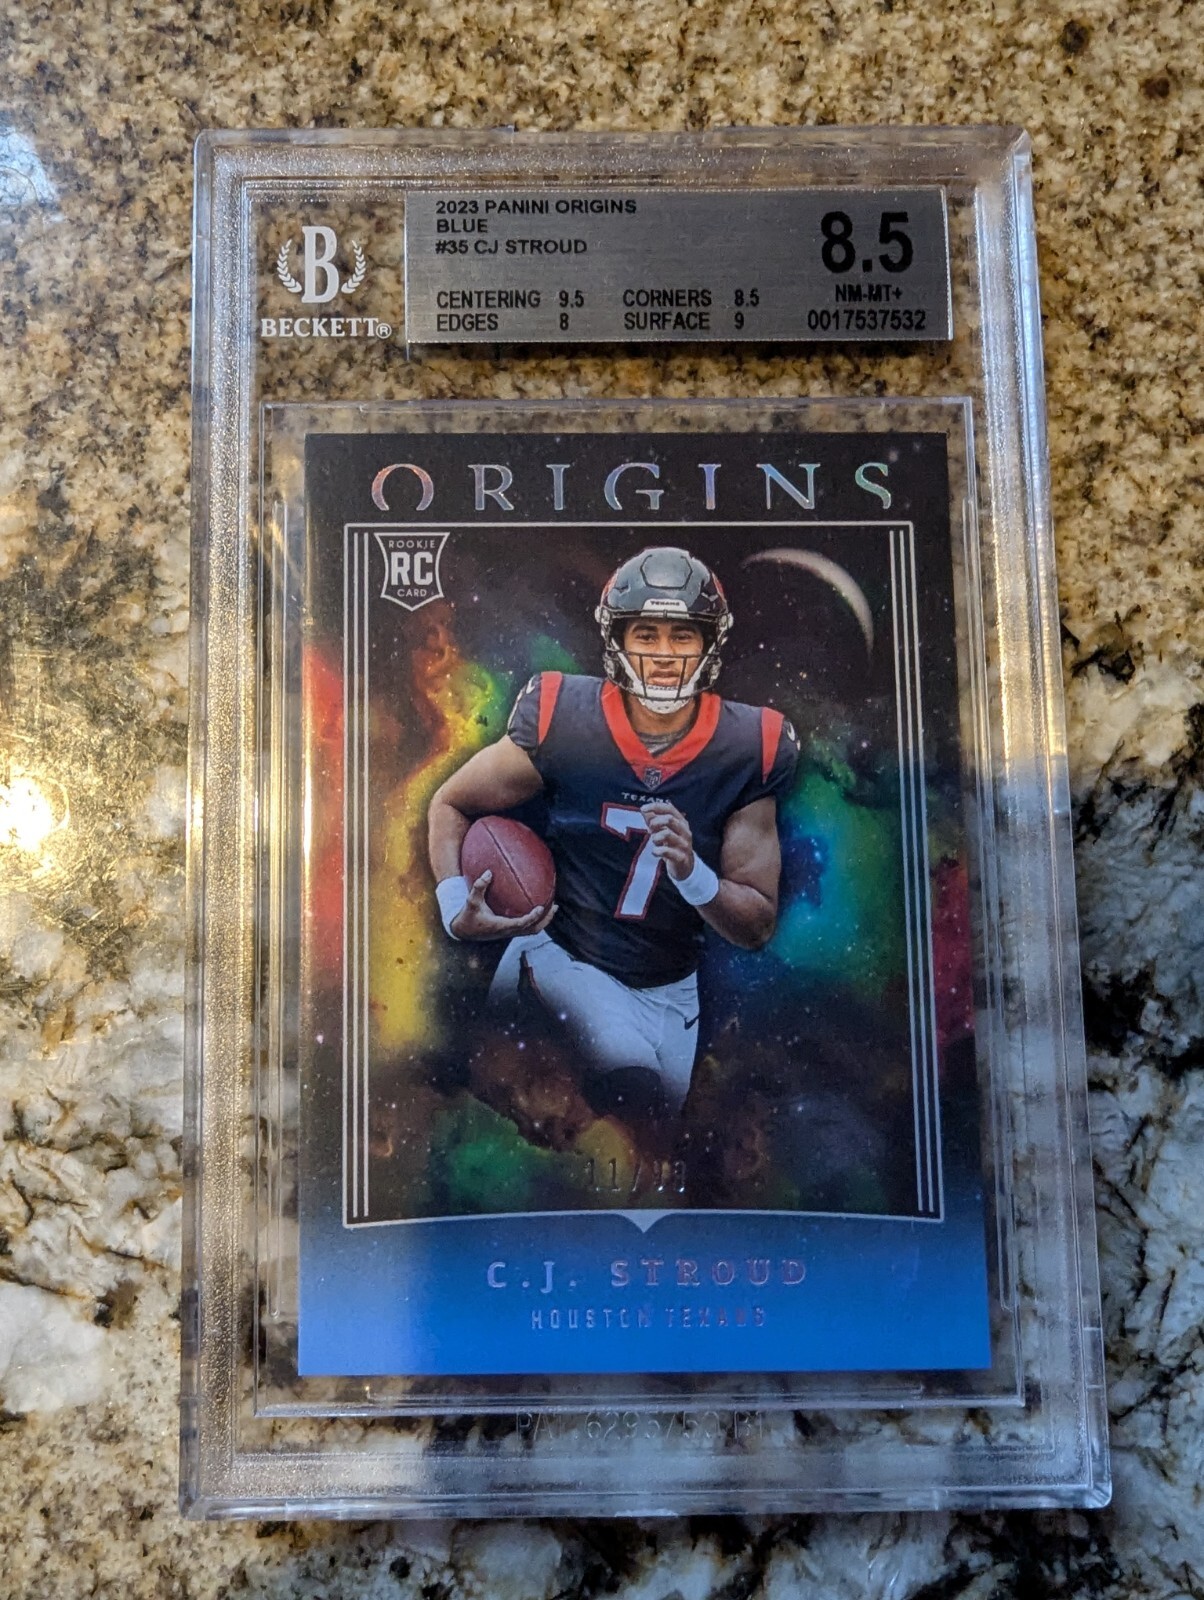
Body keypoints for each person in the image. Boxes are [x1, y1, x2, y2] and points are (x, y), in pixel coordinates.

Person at [427, 546, 799, 1118]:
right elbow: (450, 802)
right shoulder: (563, 716)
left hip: (674, 995)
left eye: (682, 636)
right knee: (626, 1115)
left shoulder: (751, 745)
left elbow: (755, 924)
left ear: (710, 642)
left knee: (646, 1156)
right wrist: (455, 906)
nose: (664, 655)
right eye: (646, 634)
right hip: (566, 964)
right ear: (617, 638)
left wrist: (692, 873)